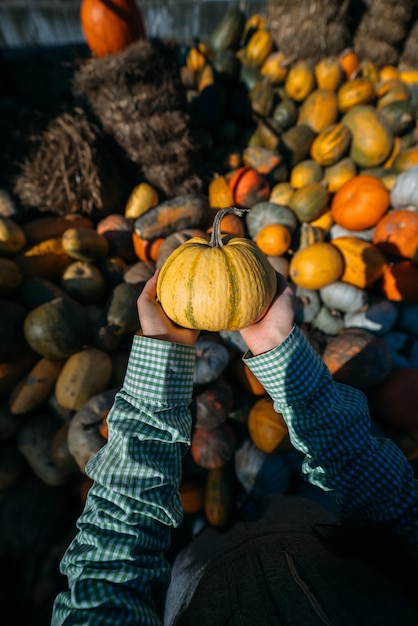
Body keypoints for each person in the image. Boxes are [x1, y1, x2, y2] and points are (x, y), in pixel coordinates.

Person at [51, 271, 418, 626]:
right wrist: (278, 347)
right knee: (285, 503)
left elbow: (110, 562)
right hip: (320, 531)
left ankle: (217, 526)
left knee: (208, 537)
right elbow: (395, 508)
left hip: (201, 568)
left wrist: (162, 357)